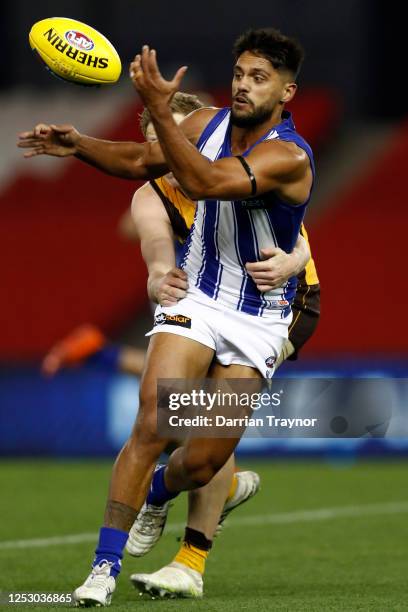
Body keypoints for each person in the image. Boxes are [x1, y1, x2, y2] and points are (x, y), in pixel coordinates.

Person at [19, 28, 315, 606]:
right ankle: (101, 569)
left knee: (204, 460)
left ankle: (158, 492)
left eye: (259, 78)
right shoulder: (203, 123)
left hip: (258, 315)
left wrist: (157, 108)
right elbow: (140, 159)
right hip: (197, 298)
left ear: (287, 92)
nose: (243, 86)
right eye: (239, 74)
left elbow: (207, 181)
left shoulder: (290, 154)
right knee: (153, 422)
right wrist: (79, 142)